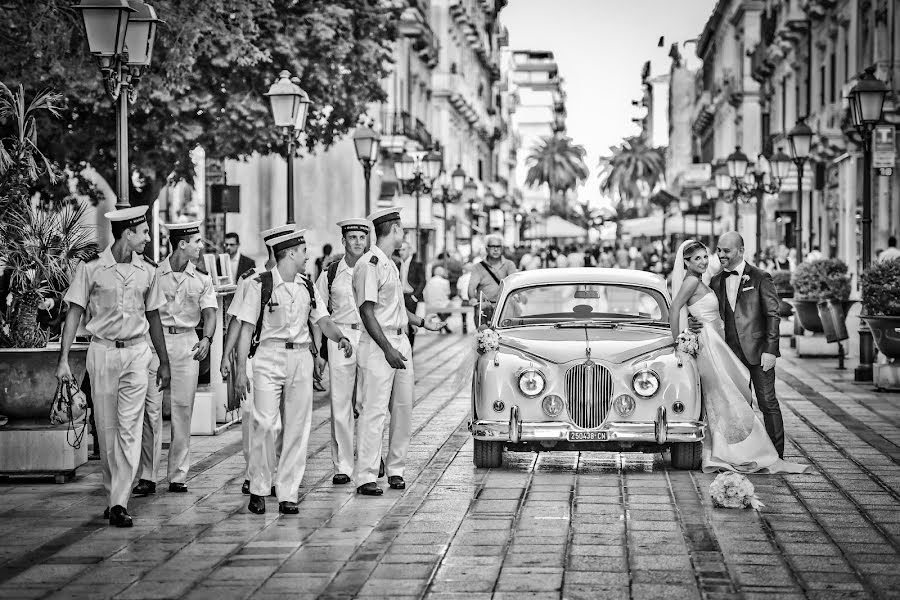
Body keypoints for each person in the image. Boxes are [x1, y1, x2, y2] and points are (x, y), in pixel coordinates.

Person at [56, 206, 171, 527]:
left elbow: (154, 317)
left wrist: (163, 361)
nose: (149, 238)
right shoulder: (92, 270)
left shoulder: (149, 272)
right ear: (127, 233)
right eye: (144, 232)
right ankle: (113, 494)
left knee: (131, 427)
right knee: (107, 430)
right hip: (102, 352)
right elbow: (74, 313)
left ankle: (120, 500)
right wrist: (63, 360)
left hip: (136, 353)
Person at [232, 230, 352, 515]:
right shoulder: (259, 285)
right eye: (302, 250)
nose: (307, 255)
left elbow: (322, 320)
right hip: (268, 356)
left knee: (298, 427)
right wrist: (239, 371)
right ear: (288, 254)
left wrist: (341, 338)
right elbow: (246, 329)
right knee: (264, 424)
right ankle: (260, 488)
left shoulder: (307, 287)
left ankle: (288, 493)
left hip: (300, 356)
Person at [671, 238, 809, 473]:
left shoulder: (759, 277)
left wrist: (771, 350)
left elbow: (773, 315)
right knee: (734, 402)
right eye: (718, 251)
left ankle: (776, 454)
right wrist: (686, 330)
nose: (717, 256)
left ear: (740, 251)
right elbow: (684, 307)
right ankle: (738, 448)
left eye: (724, 251)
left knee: (768, 403)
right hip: (725, 349)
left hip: (756, 351)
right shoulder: (714, 281)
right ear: (686, 262)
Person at [352, 208, 444, 496]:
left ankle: (396, 469)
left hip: (400, 340)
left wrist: (421, 322)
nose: (404, 234)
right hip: (380, 346)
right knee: (374, 411)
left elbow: (395, 307)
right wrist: (387, 348)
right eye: (402, 228)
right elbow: (367, 312)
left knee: (403, 409)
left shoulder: (390, 264)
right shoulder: (371, 263)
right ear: (393, 229)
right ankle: (366, 474)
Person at [133, 221, 217, 496]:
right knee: (151, 411)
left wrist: (207, 339)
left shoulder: (202, 278)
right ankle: (147, 475)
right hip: (155, 342)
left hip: (187, 342)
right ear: (182, 244)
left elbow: (210, 313)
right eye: (197, 241)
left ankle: (178, 474)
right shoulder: (155, 273)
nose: (201, 246)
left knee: (183, 409)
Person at [221, 224, 294, 495]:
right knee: (254, 418)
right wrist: (228, 357)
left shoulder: (296, 282)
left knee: (281, 420)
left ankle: (274, 475)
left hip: (286, 358)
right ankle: (254, 473)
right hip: (253, 357)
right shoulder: (251, 279)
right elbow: (238, 321)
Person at [314, 218, 370, 485]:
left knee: (370, 402)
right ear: (344, 240)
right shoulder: (331, 273)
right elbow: (319, 311)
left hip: (369, 336)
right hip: (340, 337)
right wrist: (319, 351)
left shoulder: (374, 268)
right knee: (340, 402)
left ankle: (371, 458)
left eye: (362, 237)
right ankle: (343, 465)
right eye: (353, 237)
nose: (358, 242)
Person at [468, 234, 517, 322]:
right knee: (484, 334)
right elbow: (471, 287)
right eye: (492, 246)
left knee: (504, 334)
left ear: (502, 248)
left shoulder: (509, 265)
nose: (496, 249)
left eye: (498, 246)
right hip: (485, 309)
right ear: (486, 248)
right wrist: (473, 299)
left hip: (505, 308)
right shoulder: (478, 267)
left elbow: (514, 285)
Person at [398, 241, 426, 348]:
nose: (401, 252)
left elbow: (423, 281)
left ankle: (410, 349)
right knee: (400, 323)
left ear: (409, 250)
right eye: (400, 250)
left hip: (411, 296)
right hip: (400, 297)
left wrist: (415, 296)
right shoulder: (397, 264)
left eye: (404, 249)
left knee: (411, 325)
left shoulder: (417, 264)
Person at [423, 265, 452, 333]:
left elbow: (425, 293)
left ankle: (442, 325)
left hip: (430, 304)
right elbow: (448, 293)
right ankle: (443, 324)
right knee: (451, 309)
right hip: (442, 304)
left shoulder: (429, 281)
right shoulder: (445, 282)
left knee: (440, 311)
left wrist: (427, 301)